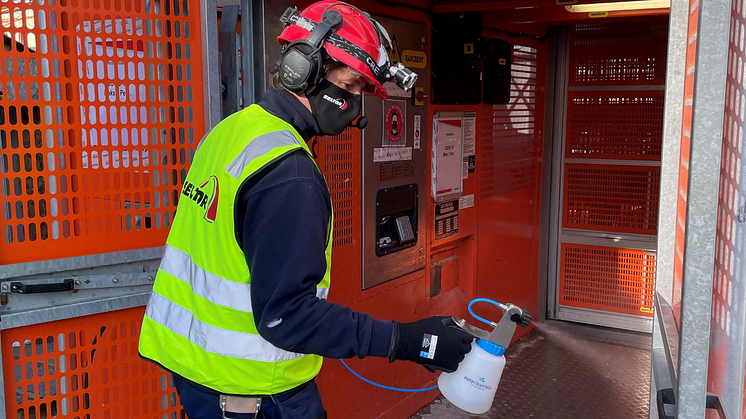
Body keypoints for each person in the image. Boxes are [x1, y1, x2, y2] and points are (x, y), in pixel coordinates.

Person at [138, 2, 473, 418]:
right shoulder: (290, 174)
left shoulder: (232, 130)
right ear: (303, 67)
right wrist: (406, 340)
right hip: (256, 396)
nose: (354, 107)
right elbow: (285, 317)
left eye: (362, 93)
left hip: (203, 379)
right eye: (350, 86)